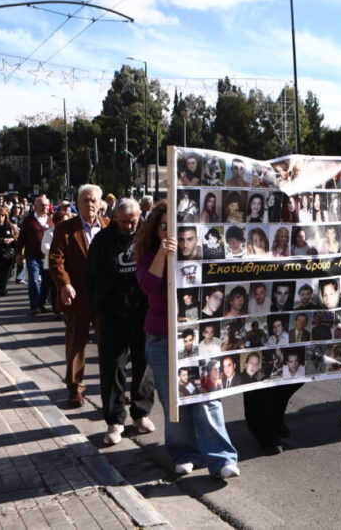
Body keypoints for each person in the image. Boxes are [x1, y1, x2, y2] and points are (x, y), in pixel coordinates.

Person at [136, 201, 240, 478]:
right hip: (162, 339)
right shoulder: (148, 255)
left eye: (178, 227)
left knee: (208, 396)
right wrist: (162, 252)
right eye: (164, 226)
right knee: (174, 400)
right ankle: (184, 453)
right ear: (155, 229)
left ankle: (222, 459)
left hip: (200, 339)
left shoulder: (201, 255)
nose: (172, 232)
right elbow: (148, 285)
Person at [86, 198, 156, 445]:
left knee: (144, 366)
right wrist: (96, 309)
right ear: (115, 218)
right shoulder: (103, 240)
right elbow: (91, 275)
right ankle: (115, 421)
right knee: (112, 368)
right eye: (124, 221)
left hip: (143, 313)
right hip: (112, 314)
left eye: (133, 221)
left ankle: (141, 413)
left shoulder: (149, 238)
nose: (128, 226)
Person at [49, 184, 109, 408]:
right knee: (76, 343)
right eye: (85, 199)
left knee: (109, 344)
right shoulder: (65, 228)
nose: (90, 204)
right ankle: (75, 388)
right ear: (78, 203)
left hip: (104, 298)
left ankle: (110, 387)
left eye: (94, 200)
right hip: (77, 296)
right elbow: (56, 259)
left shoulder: (109, 227)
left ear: (100, 204)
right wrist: (64, 285)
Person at [15, 195, 53, 315]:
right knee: (34, 280)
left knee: (46, 282)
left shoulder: (51, 220)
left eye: (46, 205)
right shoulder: (28, 220)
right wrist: (18, 253)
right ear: (35, 206)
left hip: (47, 257)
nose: (45, 207)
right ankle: (35, 305)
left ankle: (41, 303)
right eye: (42, 205)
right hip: (32, 256)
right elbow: (21, 238)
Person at [0, 207, 19, 297]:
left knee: (8, 270)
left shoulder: (10, 225)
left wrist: (12, 239)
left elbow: (17, 235)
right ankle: (2, 288)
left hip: (9, 251)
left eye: (2, 215)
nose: (0, 217)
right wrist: (2, 240)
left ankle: (4, 282)